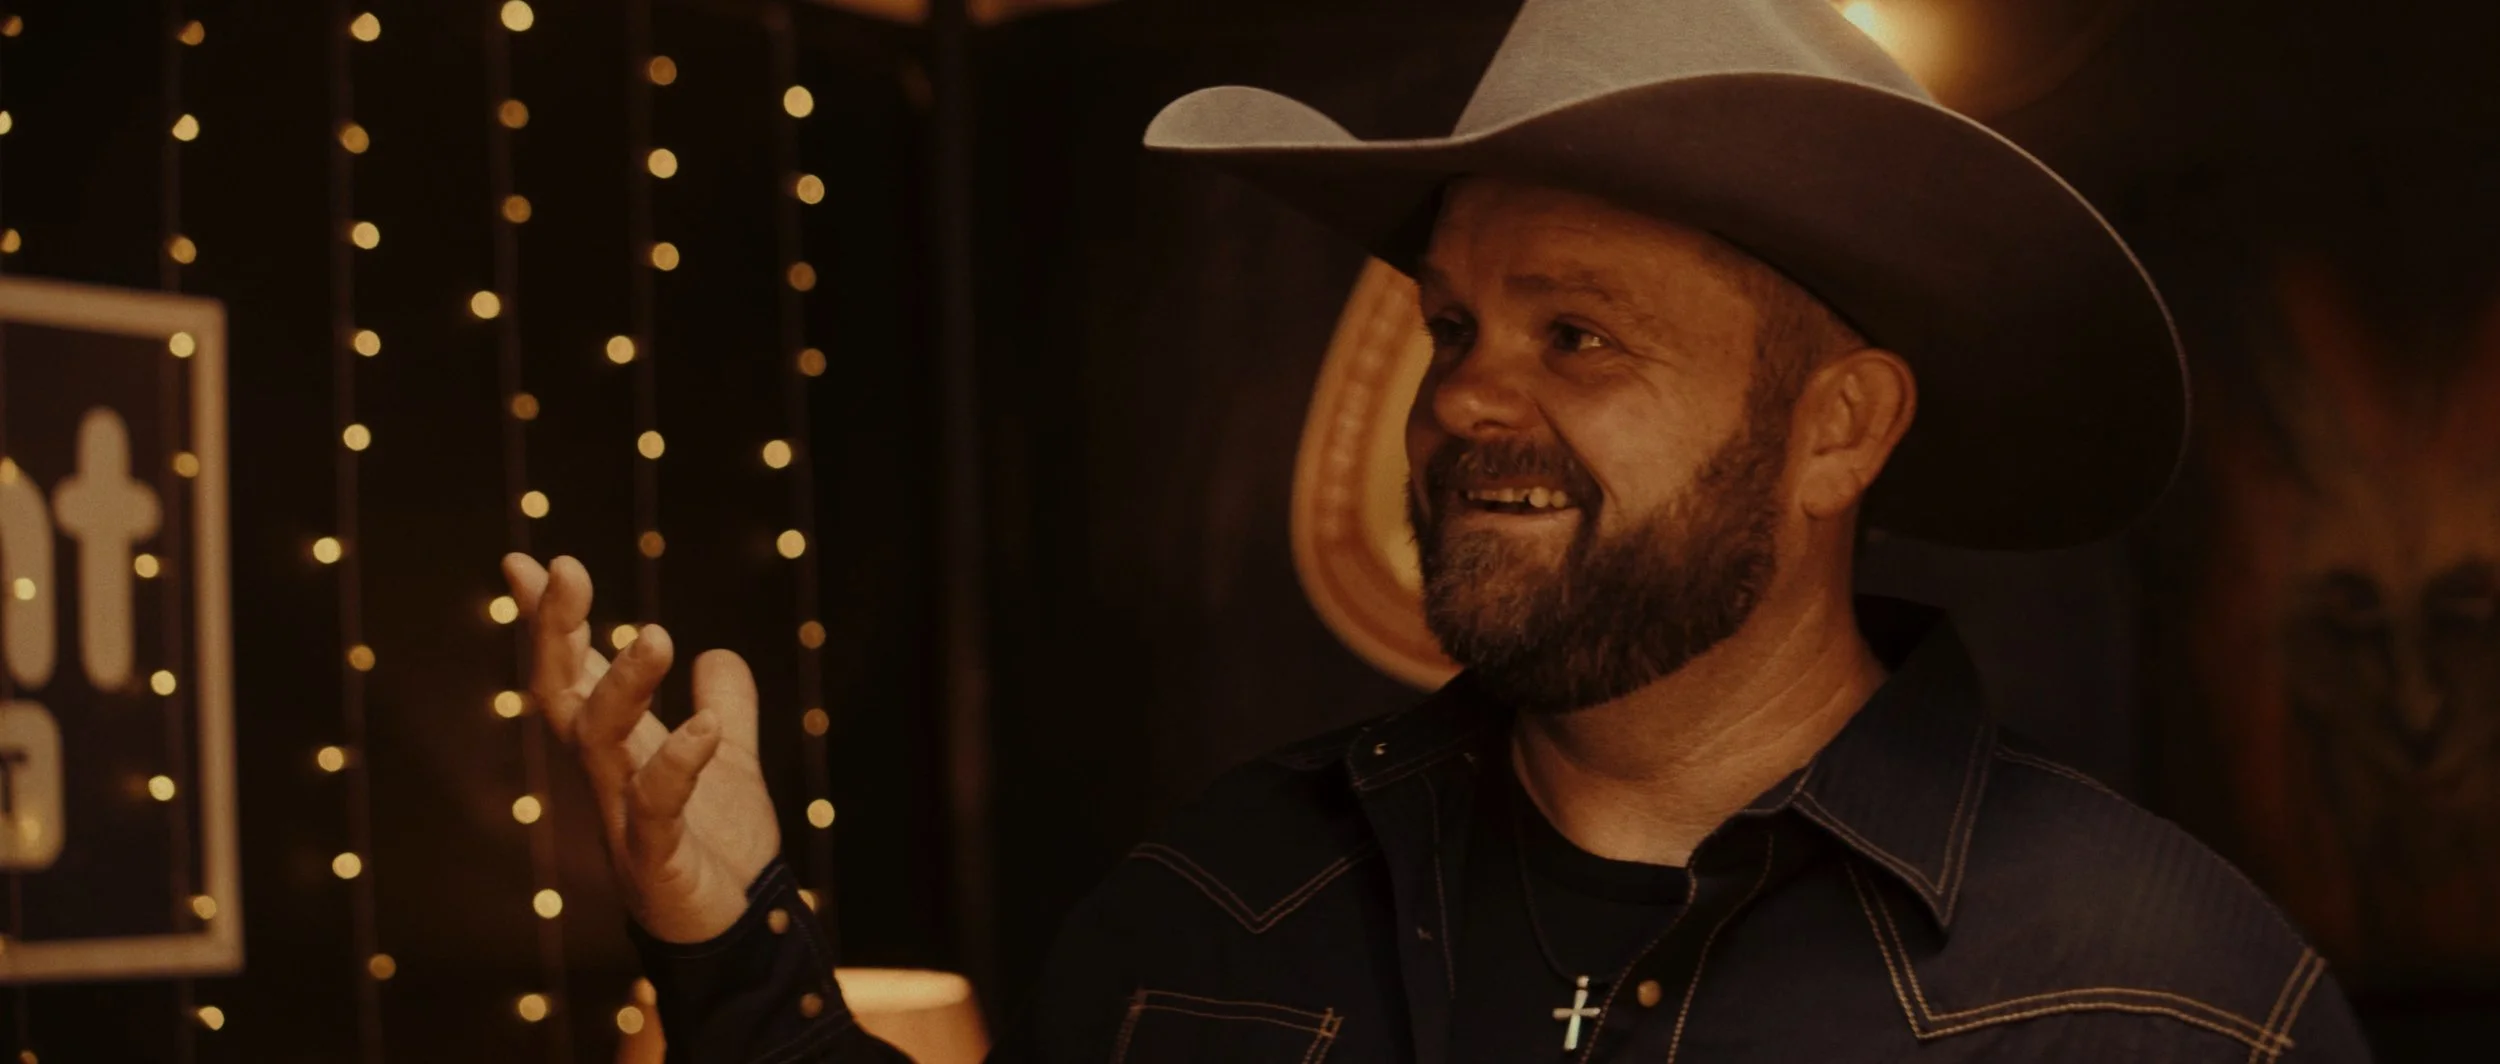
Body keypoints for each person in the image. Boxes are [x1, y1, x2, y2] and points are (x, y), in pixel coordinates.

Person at [501, 0, 2375, 1059]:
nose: (1473, 393)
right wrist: (733, 942)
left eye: (1577, 333)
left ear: (1836, 431)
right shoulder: (1214, 914)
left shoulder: (2167, 1000)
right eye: (1455, 325)